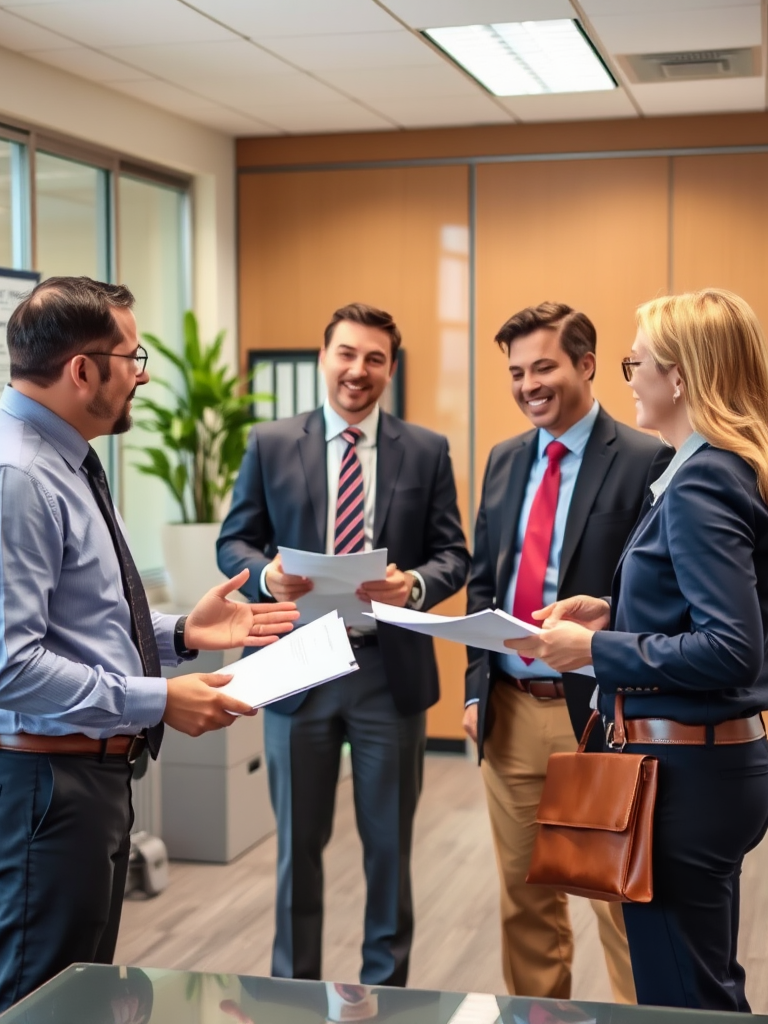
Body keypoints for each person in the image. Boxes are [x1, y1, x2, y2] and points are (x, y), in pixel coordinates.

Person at [0, 276, 299, 1023]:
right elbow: (9, 669)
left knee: (80, 1005)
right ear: (82, 370)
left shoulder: (61, 460)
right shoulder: (13, 477)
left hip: (74, 781)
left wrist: (181, 635)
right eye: (133, 358)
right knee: (37, 1011)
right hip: (40, 786)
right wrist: (160, 699)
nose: (143, 375)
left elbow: (80, 622)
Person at [511, 288, 768, 1010]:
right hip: (718, 764)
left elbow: (730, 648)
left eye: (636, 363)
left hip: (686, 775)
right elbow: (722, 612)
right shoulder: (738, 466)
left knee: (683, 1000)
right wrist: (613, 613)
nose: (629, 378)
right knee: (707, 987)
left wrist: (595, 650)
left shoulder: (703, 479)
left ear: (679, 377)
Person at [217, 302, 470, 985]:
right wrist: (265, 575)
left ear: (391, 368)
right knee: (297, 849)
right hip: (296, 665)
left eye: (375, 359)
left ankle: (386, 993)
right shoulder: (272, 443)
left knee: (389, 849)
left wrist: (415, 584)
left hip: (387, 670)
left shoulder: (426, 450)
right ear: (324, 358)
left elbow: (454, 554)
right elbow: (234, 540)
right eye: (347, 354)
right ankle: (293, 994)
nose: (359, 370)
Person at [464, 302, 669, 1002]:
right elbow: (484, 583)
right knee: (525, 898)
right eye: (516, 372)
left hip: (600, 712)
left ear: (586, 365)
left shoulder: (645, 458)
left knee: (618, 898)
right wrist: (475, 690)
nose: (528, 385)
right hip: (510, 710)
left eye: (543, 367)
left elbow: (657, 591)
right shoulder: (503, 460)